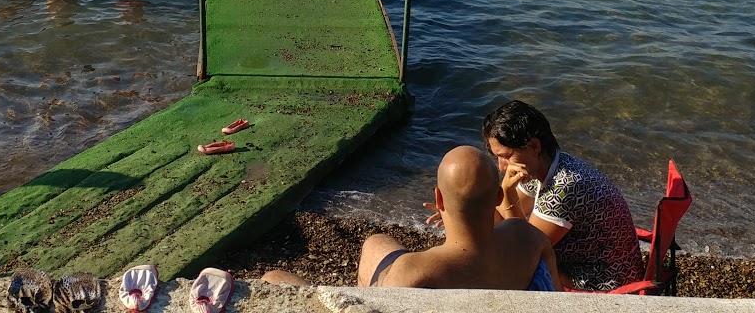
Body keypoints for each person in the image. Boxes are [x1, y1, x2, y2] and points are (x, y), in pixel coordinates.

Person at [265, 147, 558, 290]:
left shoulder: (414, 272)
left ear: (439, 200)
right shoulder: (529, 238)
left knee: (272, 278)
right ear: (496, 196)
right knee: (377, 242)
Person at [482, 100, 644, 291]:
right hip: (591, 262)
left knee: (507, 267)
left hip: (602, 278)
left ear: (534, 146)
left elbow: (525, 249)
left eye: (506, 156)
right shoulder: (545, 166)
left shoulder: (564, 187)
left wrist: (507, 192)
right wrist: (460, 211)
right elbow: (499, 214)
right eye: (497, 157)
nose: (501, 167)